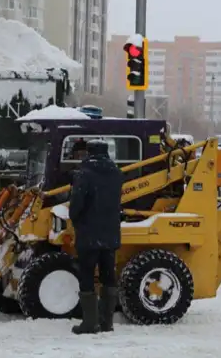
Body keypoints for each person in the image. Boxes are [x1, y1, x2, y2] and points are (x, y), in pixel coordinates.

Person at [68, 140, 124, 335]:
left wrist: (75, 218)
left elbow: (76, 206)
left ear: (89, 153)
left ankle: (90, 324)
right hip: (110, 235)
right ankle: (106, 322)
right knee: (108, 276)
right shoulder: (116, 174)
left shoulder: (84, 174)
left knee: (87, 276)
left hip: (89, 235)